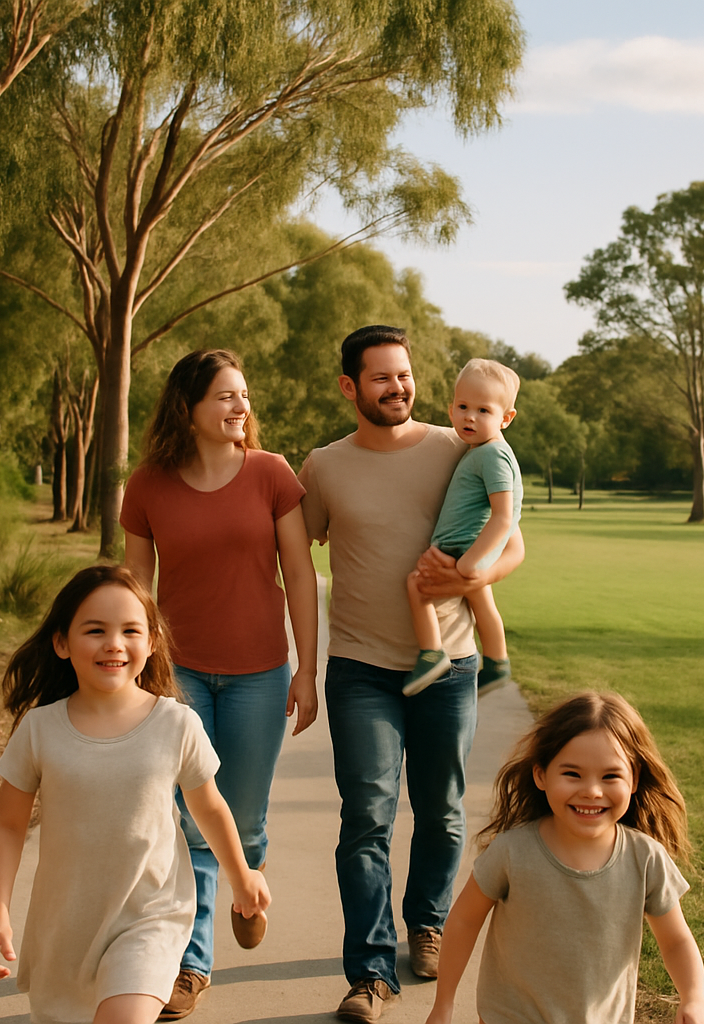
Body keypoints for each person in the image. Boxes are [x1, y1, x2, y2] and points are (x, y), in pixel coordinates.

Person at [298, 325, 525, 1024]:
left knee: (443, 809)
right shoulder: (324, 466)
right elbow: (288, 547)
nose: (398, 388)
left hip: (449, 665)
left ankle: (426, 923)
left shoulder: (455, 444)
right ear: (349, 387)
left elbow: (512, 542)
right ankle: (369, 972)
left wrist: (468, 576)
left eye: (404, 375)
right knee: (366, 815)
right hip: (360, 669)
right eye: (380, 378)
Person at [0, 565, 271, 1024]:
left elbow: (208, 806)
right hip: (66, 927)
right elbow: (8, 826)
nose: (114, 643)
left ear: (151, 642)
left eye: (130, 630)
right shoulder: (40, 730)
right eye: (95, 630)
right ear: (61, 643)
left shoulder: (176, 725)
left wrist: (241, 875)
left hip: (151, 915)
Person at [120, 348, 318, 1020]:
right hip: (178, 679)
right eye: (226, 396)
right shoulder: (147, 485)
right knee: (192, 819)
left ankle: (248, 881)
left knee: (246, 819)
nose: (242, 407)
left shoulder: (271, 475)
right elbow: (131, 594)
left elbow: (301, 577)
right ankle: (193, 964)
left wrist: (307, 670)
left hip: (260, 674)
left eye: (244, 396)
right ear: (190, 408)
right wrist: (129, 674)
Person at [424, 691, 704, 1024]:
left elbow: (675, 941)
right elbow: (463, 921)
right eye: (572, 774)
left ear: (635, 779)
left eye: (610, 776)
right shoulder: (512, 852)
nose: (592, 791)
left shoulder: (645, 859)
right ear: (541, 774)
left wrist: (693, 999)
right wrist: (444, 1004)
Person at [403, 358, 523, 696]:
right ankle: (498, 662)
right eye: (463, 406)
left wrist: (471, 562)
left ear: (506, 418)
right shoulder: (480, 450)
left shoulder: (493, 455)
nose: (470, 416)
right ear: (451, 408)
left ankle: (432, 653)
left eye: (484, 410)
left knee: (416, 585)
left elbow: (503, 515)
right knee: (482, 601)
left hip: (462, 546)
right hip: (465, 546)